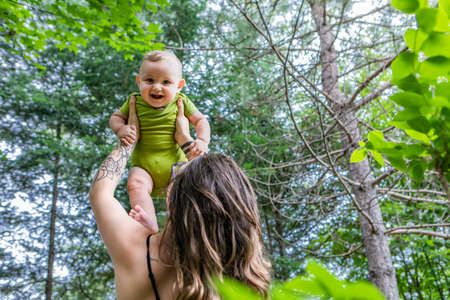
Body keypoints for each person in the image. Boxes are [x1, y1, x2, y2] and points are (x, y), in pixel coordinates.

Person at [89, 100, 271, 300]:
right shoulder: (241, 283)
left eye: (175, 177)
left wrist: (129, 140)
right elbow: (213, 187)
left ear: (175, 200)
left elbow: (101, 193)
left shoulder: (137, 250)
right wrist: (185, 140)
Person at [109, 50, 211, 233]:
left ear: (179, 86)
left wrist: (202, 140)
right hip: (144, 165)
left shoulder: (181, 101)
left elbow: (200, 120)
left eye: (166, 82)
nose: (157, 87)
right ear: (139, 82)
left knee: (178, 193)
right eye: (149, 80)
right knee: (135, 183)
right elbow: (116, 117)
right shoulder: (134, 100)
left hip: (176, 165)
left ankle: (179, 227)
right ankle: (148, 221)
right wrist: (121, 129)